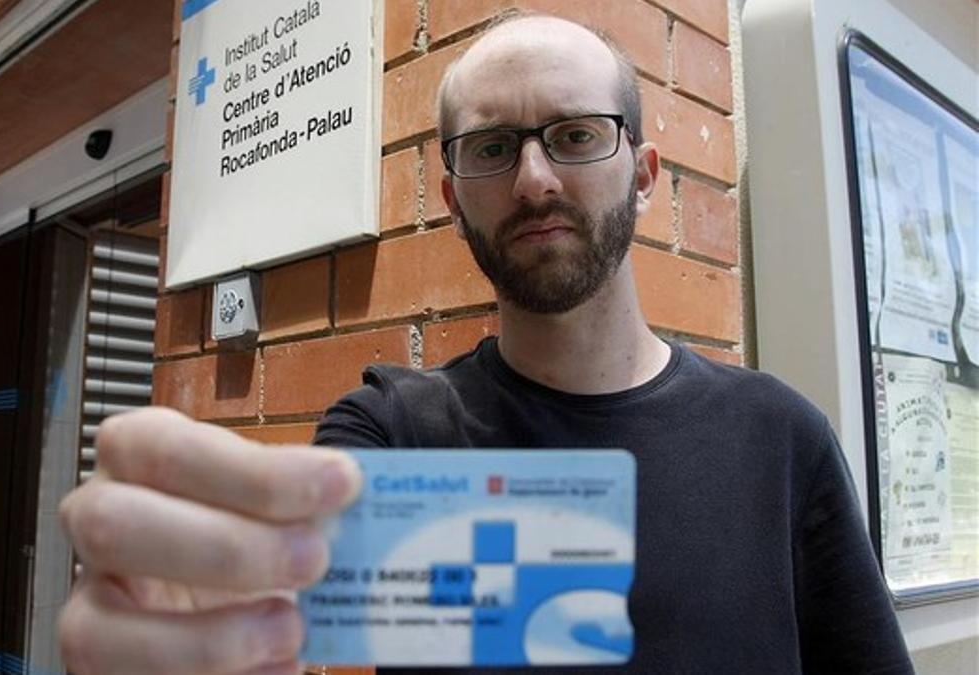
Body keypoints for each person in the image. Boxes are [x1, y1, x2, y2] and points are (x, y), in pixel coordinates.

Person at [58, 12, 913, 674]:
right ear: (453, 196)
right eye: (493, 148)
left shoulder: (779, 438)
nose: (534, 179)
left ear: (644, 176)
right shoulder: (397, 433)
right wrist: (191, 622)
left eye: (576, 135)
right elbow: (282, 599)